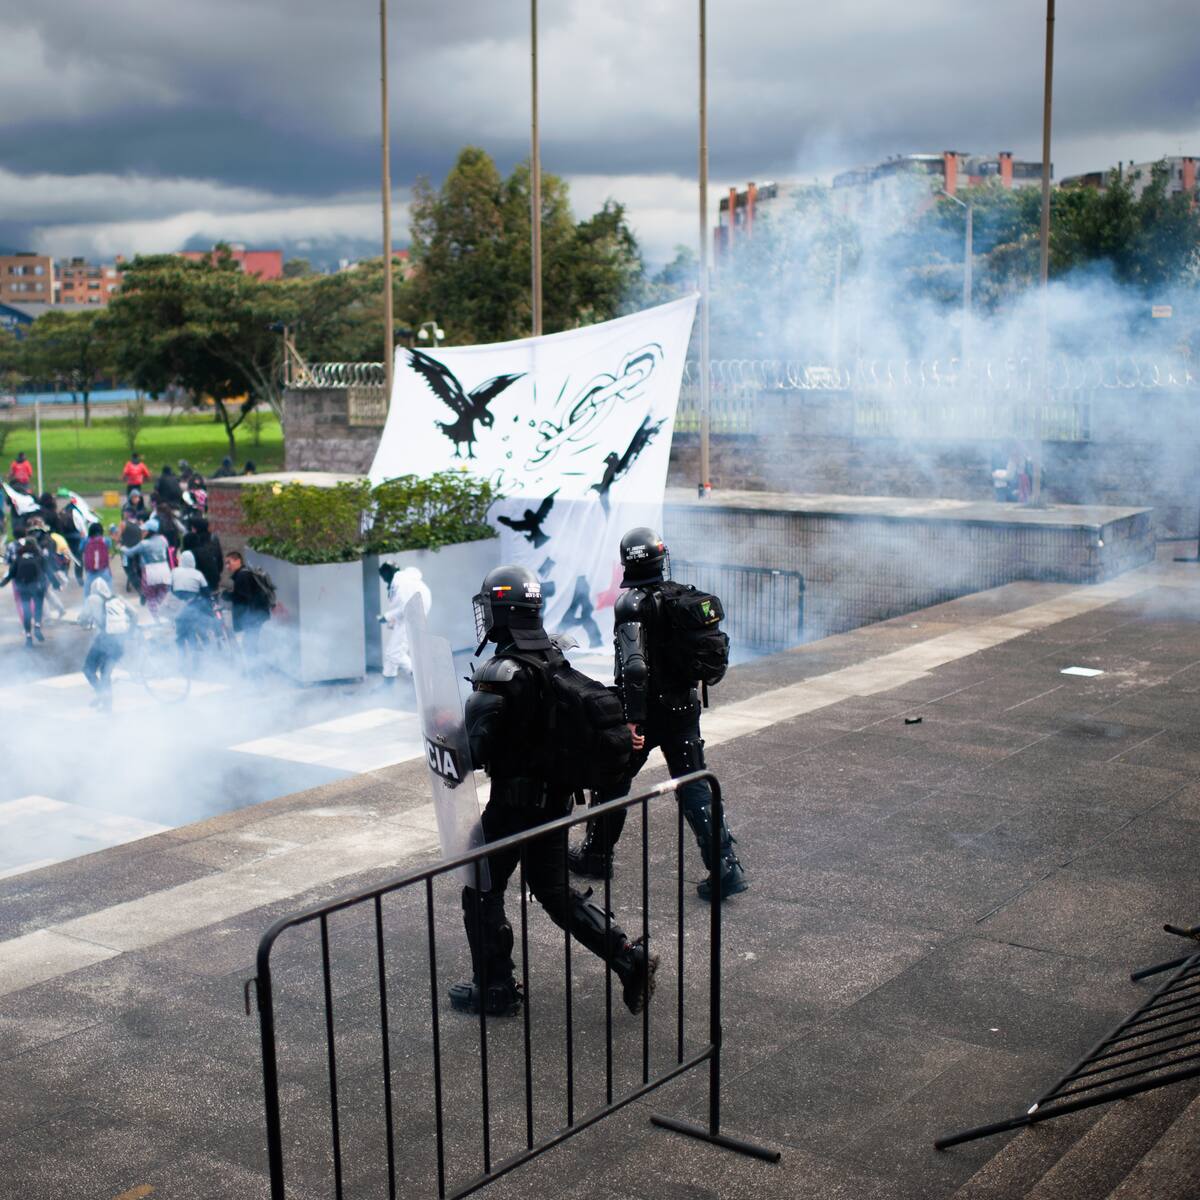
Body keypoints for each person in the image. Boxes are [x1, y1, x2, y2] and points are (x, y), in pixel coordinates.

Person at [448, 564, 656, 1017]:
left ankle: (496, 987)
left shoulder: (502, 671)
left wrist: (446, 733)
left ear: (501, 610)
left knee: (479, 884)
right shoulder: (554, 654)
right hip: (554, 802)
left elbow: (475, 753)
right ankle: (627, 956)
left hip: (512, 807)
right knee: (555, 893)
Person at [570, 528, 749, 901]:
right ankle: (725, 867)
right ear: (658, 558)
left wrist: (632, 719)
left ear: (627, 562)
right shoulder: (678, 595)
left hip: (647, 711)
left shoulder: (631, 604)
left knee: (613, 778)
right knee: (695, 785)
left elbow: (634, 668)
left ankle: (597, 854)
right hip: (683, 707)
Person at [78, 578, 133, 710]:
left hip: (104, 640)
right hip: (120, 640)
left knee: (88, 669)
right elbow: (134, 613)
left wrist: (83, 621)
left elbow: (83, 618)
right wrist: (129, 633)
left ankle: (102, 694)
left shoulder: (92, 599)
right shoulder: (117, 599)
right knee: (105, 672)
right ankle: (107, 705)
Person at [378, 564, 431, 683]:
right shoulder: (404, 580)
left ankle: (420, 675)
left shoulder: (400, 582)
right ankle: (387, 684)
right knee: (391, 653)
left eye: (383, 575)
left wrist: (386, 617)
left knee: (394, 653)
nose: (383, 579)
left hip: (411, 617)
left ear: (388, 572)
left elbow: (404, 606)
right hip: (411, 617)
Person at [222, 550, 272, 663]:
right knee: (249, 644)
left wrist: (228, 596)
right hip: (256, 616)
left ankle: (255, 671)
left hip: (253, 617)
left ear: (238, 561)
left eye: (229, 562)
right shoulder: (244, 574)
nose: (227, 566)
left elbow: (243, 597)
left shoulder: (242, 576)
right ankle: (254, 669)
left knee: (249, 645)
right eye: (226, 563)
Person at [1, 536, 48, 646]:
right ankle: (37, 625)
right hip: (37, 586)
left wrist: (2, 584)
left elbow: (11, 573)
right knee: (38, 607)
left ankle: (28, 636)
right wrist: (56, 584)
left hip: (23, 587)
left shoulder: (19, 557)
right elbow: (47, 572)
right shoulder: (40, 556)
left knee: (26, 610)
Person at [171, 550, 217, 653]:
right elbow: (206, 592)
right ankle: (206, 648)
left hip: (177, 607)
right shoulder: (198, 574)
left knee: (180, 635)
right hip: (194, 605)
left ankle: (181, 656)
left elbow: (171, 589)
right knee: (199, 627)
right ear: (193, 561)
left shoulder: (174, 571)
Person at [123, 526, 171, 611]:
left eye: (144, 531)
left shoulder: (144, 543)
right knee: (162, 597)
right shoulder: (163, 539)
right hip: (165, 571)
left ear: (149, 532)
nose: (142, 533)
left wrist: (122, 548)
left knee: (151, 598)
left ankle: (157, 620)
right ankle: (165, 616)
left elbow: (130, 553)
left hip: (150, 572)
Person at [182, 516, 223, 591]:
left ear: (195, 528)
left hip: (199, 584)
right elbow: (220, 562)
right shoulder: (213, 538)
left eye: (192, 528)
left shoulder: (193, 541)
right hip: (214, 581)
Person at [81, 522, 112, 596]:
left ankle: (86, 606)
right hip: (104, 569)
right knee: (109, 590)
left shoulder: (86, 540)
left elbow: (81, 549)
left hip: (91, 571)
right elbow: (109, 550)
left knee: (87, 592)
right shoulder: (106, 540)